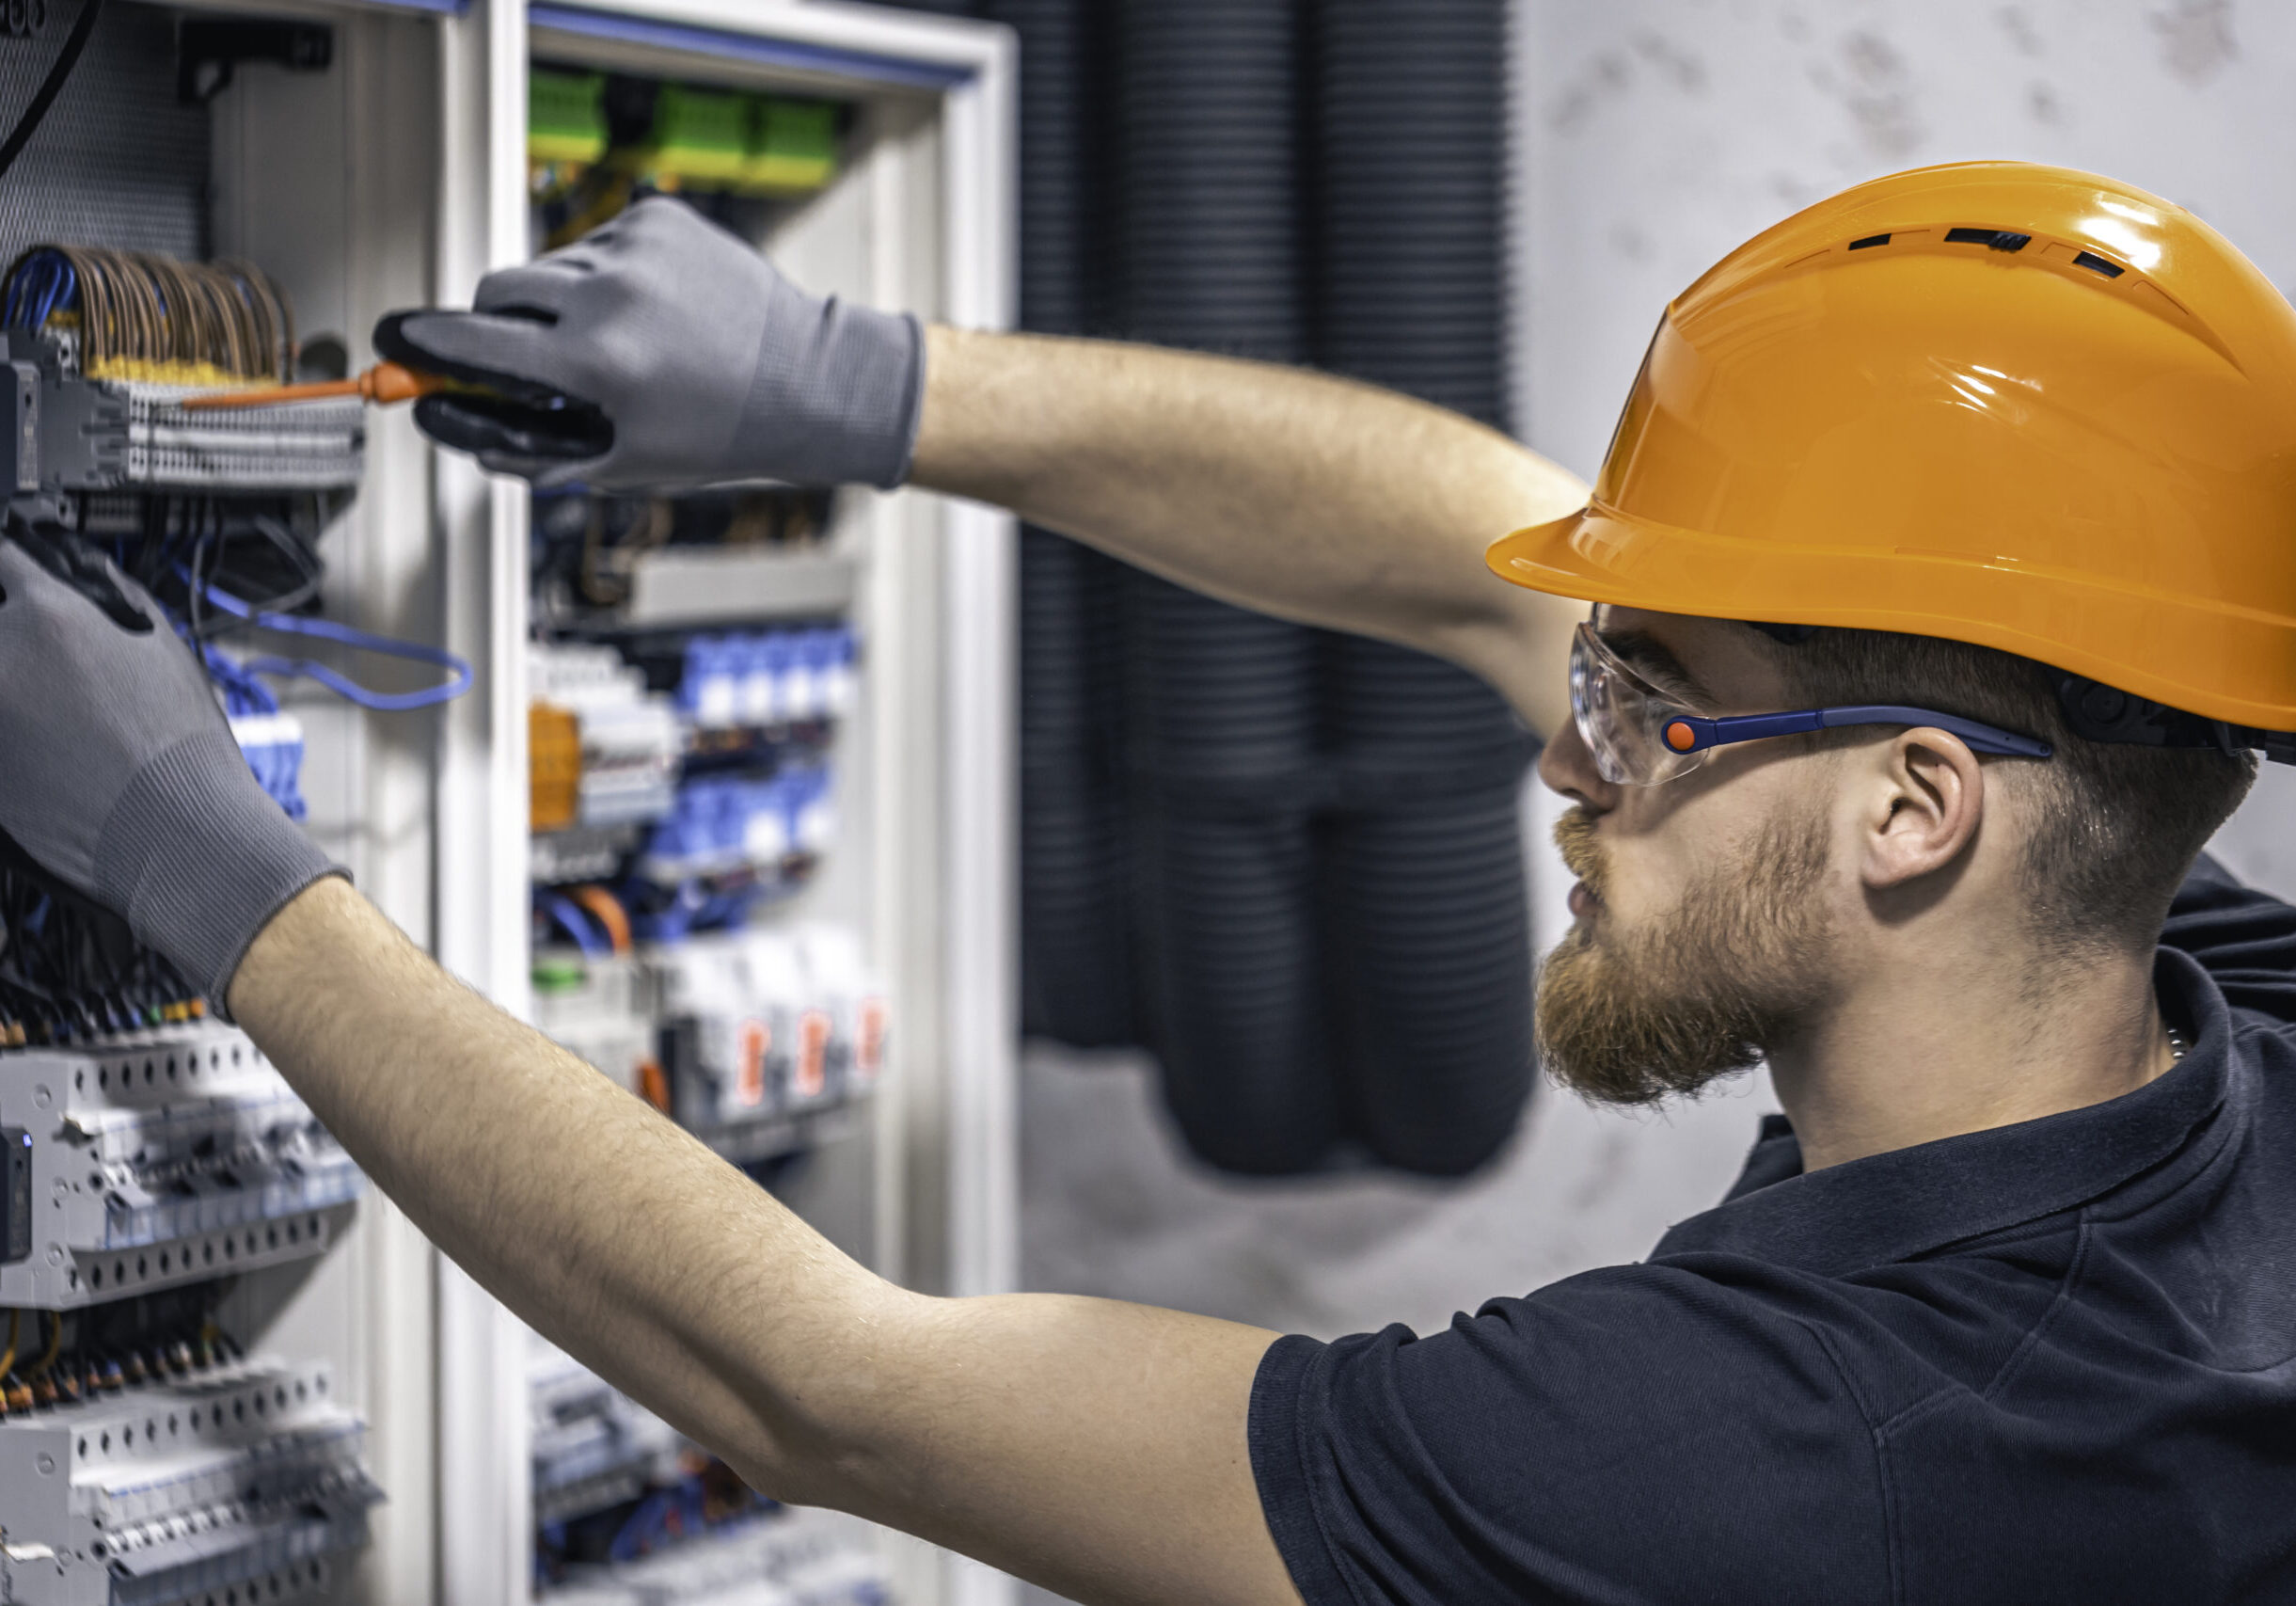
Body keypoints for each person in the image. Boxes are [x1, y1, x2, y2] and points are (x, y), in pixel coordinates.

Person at [4, 158, 2294, 1604]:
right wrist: (842, 380)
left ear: (1918, 809)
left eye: (1650, 705)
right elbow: (1474, 553)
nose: (1566, 774)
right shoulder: (2186, 998)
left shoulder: (1791, 1468)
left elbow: (831, 1386)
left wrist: (200, 856)